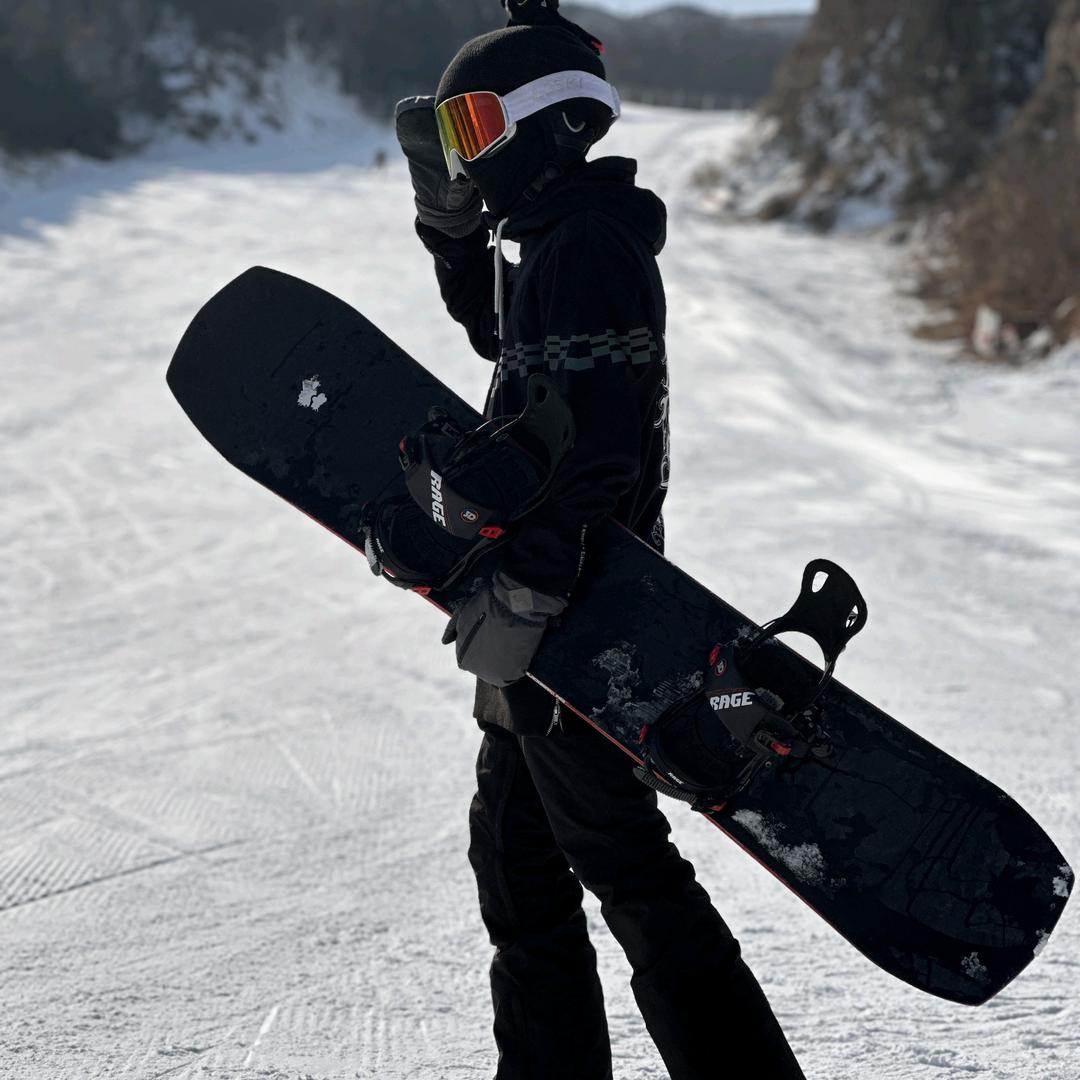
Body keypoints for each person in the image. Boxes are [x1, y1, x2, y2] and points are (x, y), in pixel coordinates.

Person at [394, 3, 807, 1077]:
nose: (468, 155)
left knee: (627, 874)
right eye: (455, 135)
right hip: (554, 620)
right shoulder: (560, 241)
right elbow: (505, 337)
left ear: (554, 119)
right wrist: (450, 231)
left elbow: (604, 439)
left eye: (479, 128)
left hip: (579, 618)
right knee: (520, 866)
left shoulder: (587, 245)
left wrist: (532, 588)